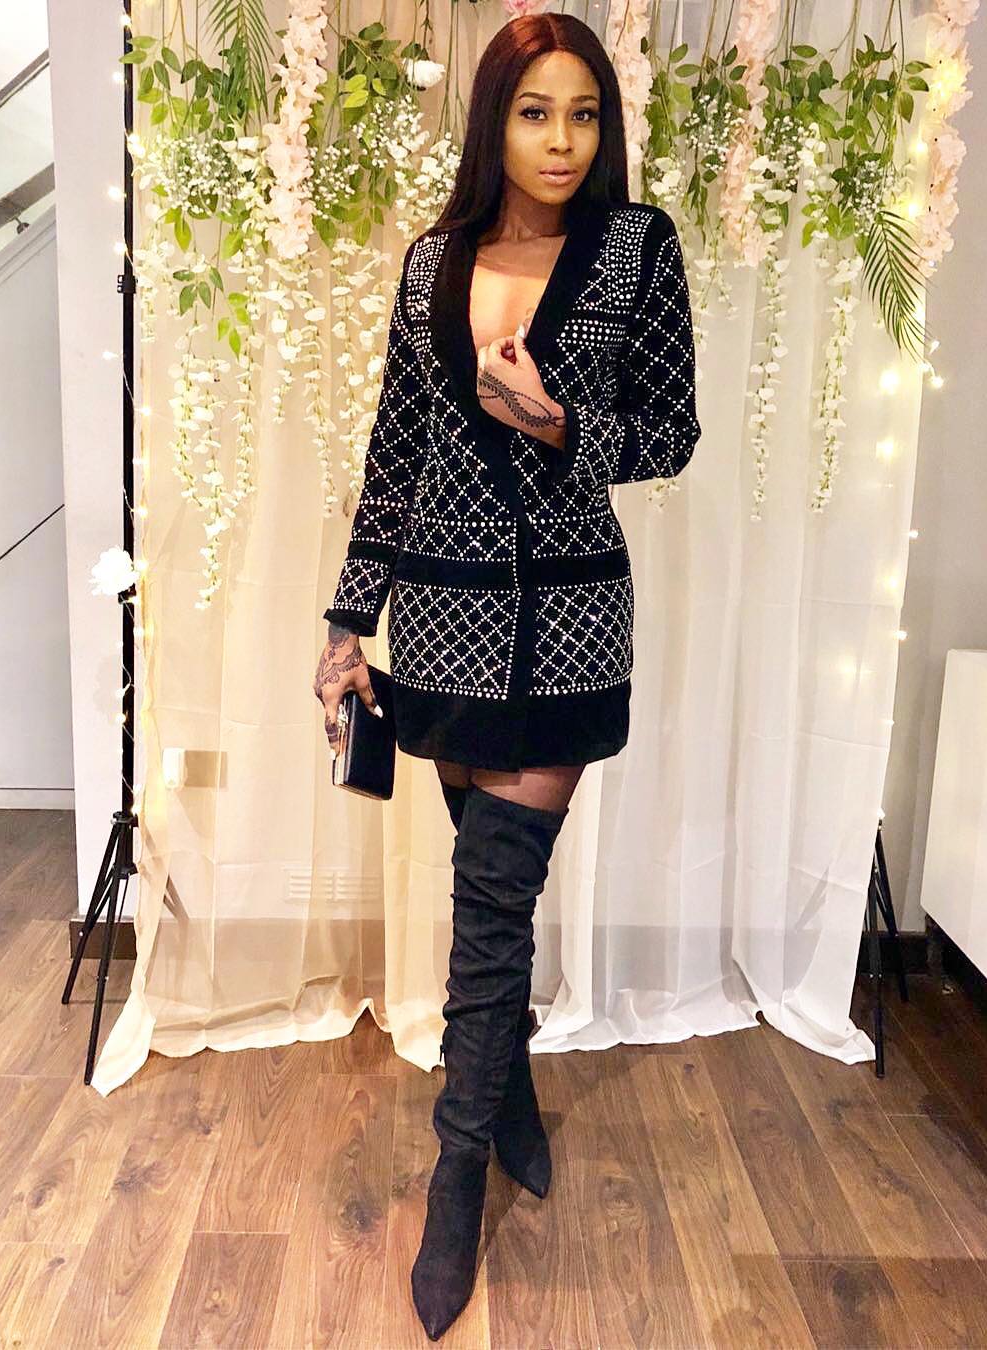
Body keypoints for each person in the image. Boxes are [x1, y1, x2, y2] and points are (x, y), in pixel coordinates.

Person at [312, 12, 701, 1341]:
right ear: (495, 121)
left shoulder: (638, 248)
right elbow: (396, 453)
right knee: (490, 898)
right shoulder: (433, 260)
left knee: (489, 908)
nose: (562, 139)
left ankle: (456, 1174)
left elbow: (671, 432)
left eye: (585, 113)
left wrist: (561, 422)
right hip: (443, 625)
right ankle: (514, 1097)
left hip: (568, 625)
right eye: (536, 112)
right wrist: (348, 622)